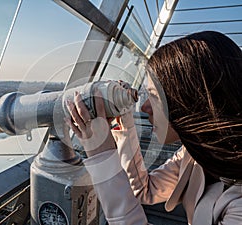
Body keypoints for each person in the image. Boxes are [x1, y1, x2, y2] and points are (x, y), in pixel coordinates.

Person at [65, 31, 242, 225]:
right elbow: (144, 190)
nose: (144, 107)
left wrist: (102, 156)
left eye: (154, 97)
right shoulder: (195, 154)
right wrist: (124, 123)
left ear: (190, 102)